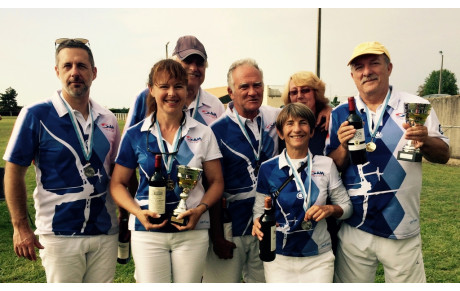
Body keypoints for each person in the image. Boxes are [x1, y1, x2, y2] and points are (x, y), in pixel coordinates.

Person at [325, 41, 450, 283]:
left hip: (401, 226)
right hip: (355, 228)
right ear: (352, 75)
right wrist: (342, 146)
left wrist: (426, 140)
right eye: (359, 67)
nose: (366, 71)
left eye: (374, 63)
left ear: (389, 67)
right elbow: (333, 167)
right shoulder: (340, 112)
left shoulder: (416, 106)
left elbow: (444, 154)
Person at [3, 38, 121, 283]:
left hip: (105, 232)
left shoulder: (107, 118)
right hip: (59, 235)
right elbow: (14, 172)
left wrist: (126, 218)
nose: (75, 72)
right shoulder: (36, 114)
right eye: (67, 66)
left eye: (82, 66)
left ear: (94, 72)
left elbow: (119, 174)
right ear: (57, 72)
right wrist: (20, 226)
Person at [109, 59, 224, 283]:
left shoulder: (204, 133)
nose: (172, 93)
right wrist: (137, 212)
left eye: (178, 86)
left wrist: (200, 210)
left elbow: (217, 181)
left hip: (192, 230)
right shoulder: (135, 134)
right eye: (164, 87)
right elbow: (117, 183)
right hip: (147, 231)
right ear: (151, 89)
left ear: (186, 89)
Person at [252, 103, 352, 283]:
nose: (296, 129)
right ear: (281, 133)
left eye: (303, 122)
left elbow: (347, 207)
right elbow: (259, 211)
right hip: (278, 258)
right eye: (290, 123)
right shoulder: (268, 169)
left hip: (318, 257)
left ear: (312, 131)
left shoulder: (326, 165)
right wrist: (257, 223)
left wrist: (330, 209)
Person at [202, 58, 281, 283]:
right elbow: (210, 186)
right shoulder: (215, 131)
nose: (252, 91)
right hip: (230, 226)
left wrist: (324, 105)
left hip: (265, 224)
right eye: (244, 86)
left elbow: (304, 114)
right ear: (231, 91)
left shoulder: (275, 118)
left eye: (257, 85)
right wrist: (217, 236)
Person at [124, 35, 224, 130]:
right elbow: (128, 140)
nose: (194, 68)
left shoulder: (215, 105)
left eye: (199, 63)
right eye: (187, 61)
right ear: (175, 63)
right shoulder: (143, 98)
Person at [281, 71, 331, 156]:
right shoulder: (282, 120)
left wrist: (330, 110)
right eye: (294, 92)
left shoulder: (328, 121)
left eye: (305, 90)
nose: (299, 96)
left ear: (316, 93)